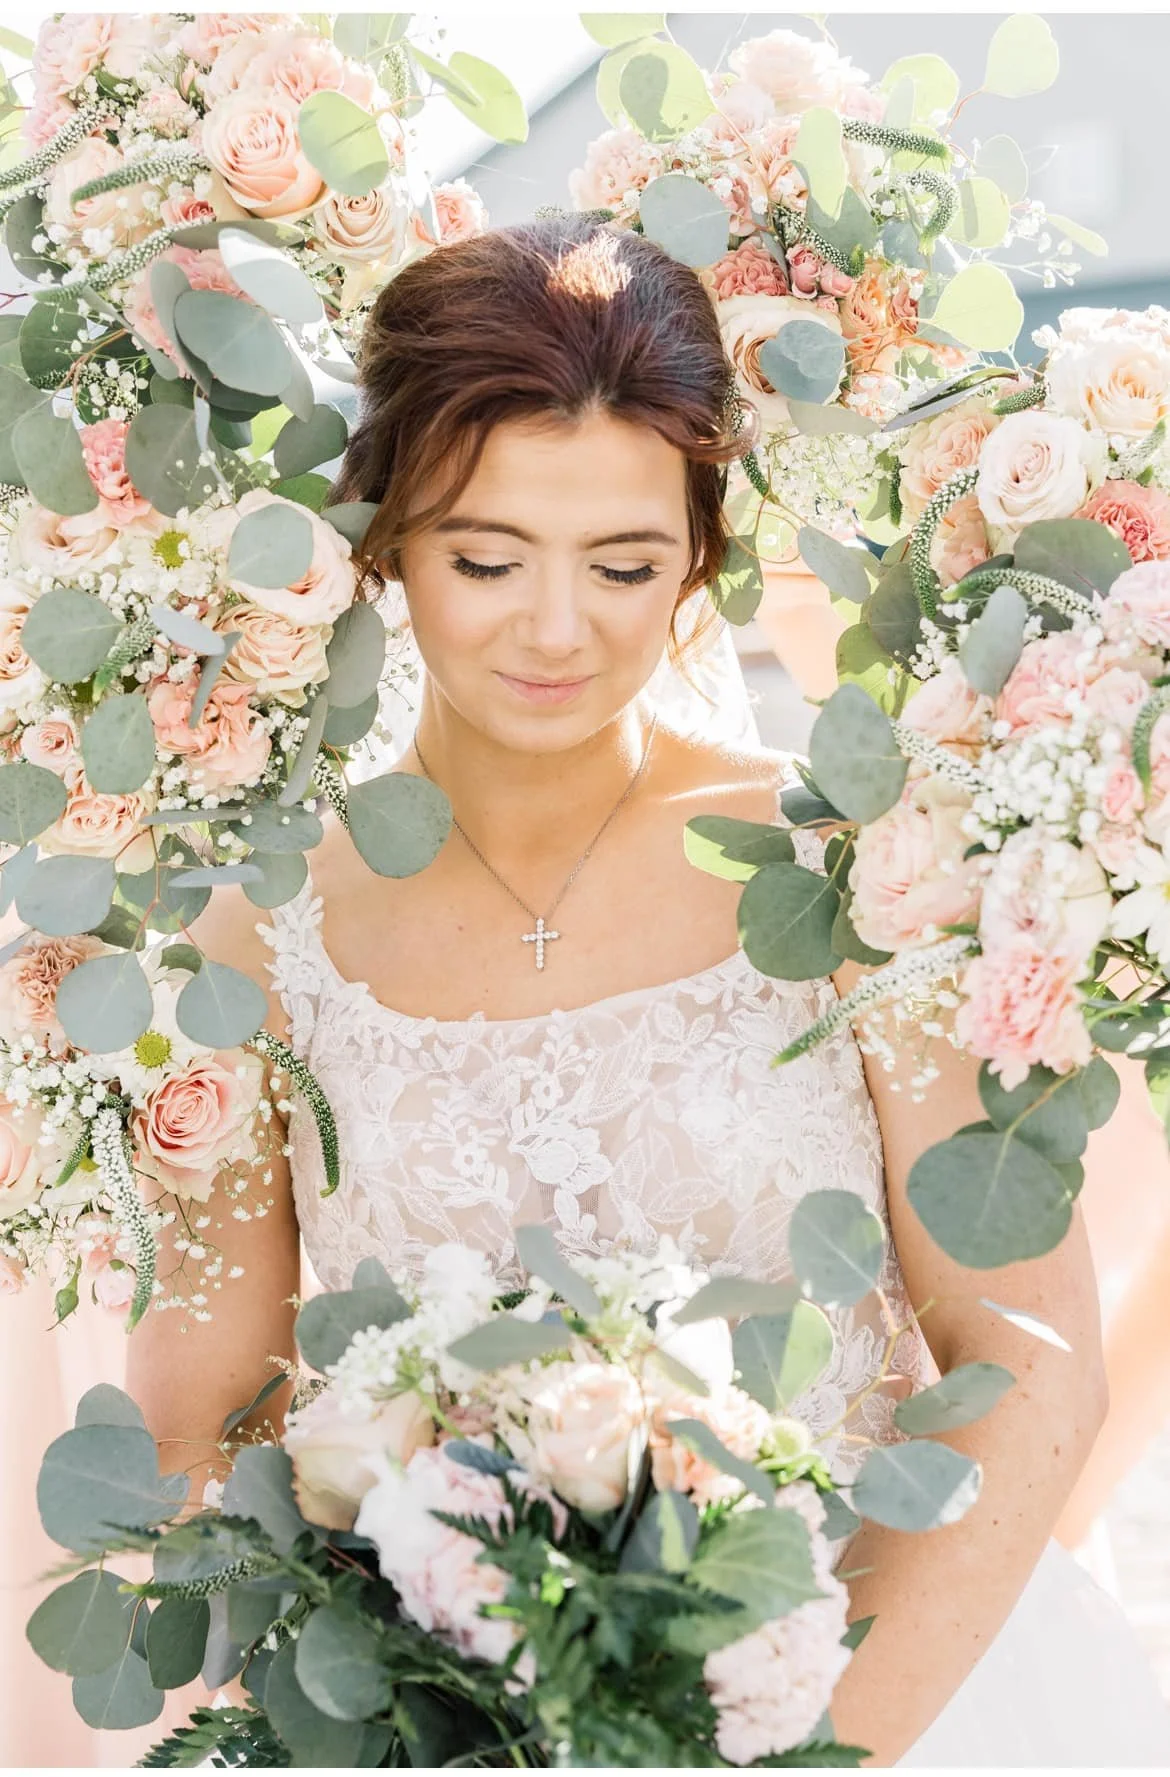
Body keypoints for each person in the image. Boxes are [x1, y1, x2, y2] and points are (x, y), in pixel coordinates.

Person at [126, 216, 1170, 1766]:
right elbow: (201, 1435)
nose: (556, 629)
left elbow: (1026, 1359)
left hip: (900, 1700)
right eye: (486, 559)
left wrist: (806, 1748)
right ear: (384, 539)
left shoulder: (855, 871)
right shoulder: (261, 946)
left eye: (622, 564)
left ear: (699, 552)